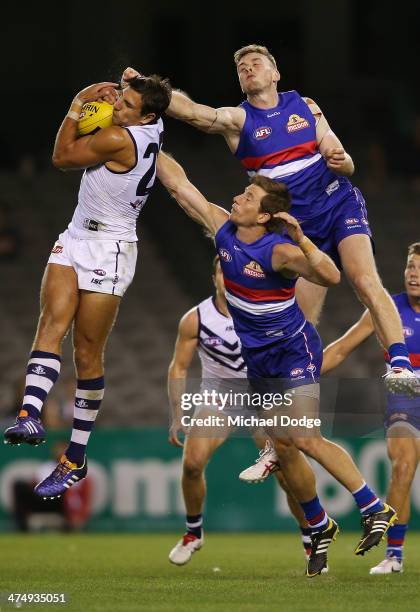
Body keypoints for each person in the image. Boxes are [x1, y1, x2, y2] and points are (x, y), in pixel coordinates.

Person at [157, 150, 396, 576]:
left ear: (265, 215)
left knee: (303, 437)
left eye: (248, 196)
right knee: (284, 448)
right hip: (259, 360)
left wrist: (302, 238)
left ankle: (374, 507)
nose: (238, 197)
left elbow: (330, 276)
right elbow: (181, 187)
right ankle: (319, 524)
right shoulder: (224, 231)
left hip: (293, 350)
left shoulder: (280, 251)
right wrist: (149, 138)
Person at [122, 47, 415, 394]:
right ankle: (286, 434)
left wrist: (344, 161)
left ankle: (400, 366)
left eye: (256, 64)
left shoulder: (305, 107)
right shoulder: (239, 122)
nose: (248, 69)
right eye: (242, 68)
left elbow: (343, 159)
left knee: (365, 280)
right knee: (297, 329)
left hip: (338, 204)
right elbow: (195, 114)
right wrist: (146, 89)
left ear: (275, 74)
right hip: (295, 228)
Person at [4, 73, 172, 499]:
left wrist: (78, 103)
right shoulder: (153, 122)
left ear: (145, 116)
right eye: (121, 101)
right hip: (76, 236)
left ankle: (75, 457)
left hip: (110, 248)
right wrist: (127, 80)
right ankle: (29, 414)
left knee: (86, 351)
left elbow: (62, 157)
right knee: (49, 325)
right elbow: (143, 91)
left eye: (126, 106)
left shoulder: (119, 139)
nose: (118, 107)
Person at [168, 255, 311, 566]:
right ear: (215, 278)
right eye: (222, 272)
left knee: (286, 474)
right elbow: (179, 367)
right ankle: (194, 532)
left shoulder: (263, 310)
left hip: (263, 398)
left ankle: (310, 536)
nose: (228, 277)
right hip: (220, 399)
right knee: (192, 464)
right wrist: (177, 413)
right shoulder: (196, 318)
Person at [322, 242, 420, 574]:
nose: (414, 274)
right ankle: (394, 556)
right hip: (404, 397)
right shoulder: (385, 307)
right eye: (410, 267)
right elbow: (341, 349)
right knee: (403, 465)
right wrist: (298, 372)